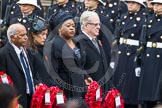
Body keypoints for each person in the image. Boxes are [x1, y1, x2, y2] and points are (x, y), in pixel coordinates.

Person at [48, 11, 91, 98]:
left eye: (73, 26)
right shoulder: (53, 45)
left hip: (79, 88)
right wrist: (59, 92)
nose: (72, 28)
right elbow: (52, 72)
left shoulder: (77, 43)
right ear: (59, 29)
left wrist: (86, 76)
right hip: (66, 90)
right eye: (68, 26)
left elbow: (79, 65)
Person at [112, 0, 146, 107]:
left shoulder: (144, 18)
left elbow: (142, 40)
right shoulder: (123, 16)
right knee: (120, 81)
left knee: (131, 83)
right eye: (129, 2)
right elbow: (117, 38)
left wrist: (138, 56)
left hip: (133, 52)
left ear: (140, 5)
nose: (130, 4)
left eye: (133, 3)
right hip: (122, 51)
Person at [0, 23, 37, 108]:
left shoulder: (27, 52)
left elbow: (31, 73)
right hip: (16, 100)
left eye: (26, 34)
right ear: (12, 38)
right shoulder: (3, 54)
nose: (26, 37)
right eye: (22, 35)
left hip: (31, 98)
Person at [75, 11, 110, 94]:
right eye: (95, 24)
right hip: (89, 92)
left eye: (99, 24)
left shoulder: (97, 41)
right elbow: (78, 67)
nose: (98, 27)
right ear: (86, 26)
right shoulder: (78, 42)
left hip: (102, 90)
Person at [138, 0, 162, 107]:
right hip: (149, 54)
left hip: (159, 55)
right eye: (154, 4)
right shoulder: (150, 20)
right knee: (147, 89)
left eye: (158, 4)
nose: (155, 6)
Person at [28, 16, 56, 87]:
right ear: (33, 34)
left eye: (46, 34)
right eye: (42, 34)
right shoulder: (30, 52)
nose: (45, 37)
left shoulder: (44, 49)